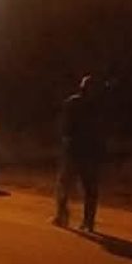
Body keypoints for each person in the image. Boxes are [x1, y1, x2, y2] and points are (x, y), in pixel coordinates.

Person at [52, 75, 105, 233]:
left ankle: (62, 216)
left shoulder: (72, 103)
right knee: (90, 189)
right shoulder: (98, 107)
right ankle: (88, 222)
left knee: (64, 185)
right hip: (90, 152)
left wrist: (65, 144)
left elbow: (65, 129)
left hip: (74, 151)